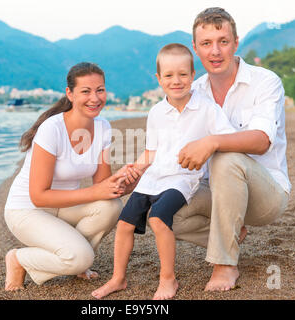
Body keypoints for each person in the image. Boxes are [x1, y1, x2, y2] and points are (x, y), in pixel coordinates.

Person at [92, 44, 237, 300]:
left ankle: (168, 279)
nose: (176, 81)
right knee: (124, 223)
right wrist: (133, 170)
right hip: (152, 178)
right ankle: (118, 278)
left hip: (183, 179)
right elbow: (151, 152)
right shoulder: (156, 111)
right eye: (168, 75)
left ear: (193, 75)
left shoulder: (207, 108)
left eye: (183, 74)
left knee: (158, 219)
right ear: (159, 79)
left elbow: (226, 139)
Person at [173, 7, 291, 292]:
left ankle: (225, 263)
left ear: (235, 43)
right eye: (206, 43)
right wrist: (141, 172)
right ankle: (230, 234)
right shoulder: (194, 91)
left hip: (265, 194)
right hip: (217, 194)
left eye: (222, 41)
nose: (215, 51)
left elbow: (262, 140)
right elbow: (179, 149)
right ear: (196, 48)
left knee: (226, 158)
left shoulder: (266, 81)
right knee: (165, 209)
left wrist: (212, 142)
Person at [3, 62, 132, 291]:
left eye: (100, 90)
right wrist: (95, 192)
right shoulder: (52, 129)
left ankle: (74, 259)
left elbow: (103, 187)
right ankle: (19, 259)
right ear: (70, 94)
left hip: (64, 206)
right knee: (80, 257)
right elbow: (38, 197)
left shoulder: (103, 126)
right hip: (27, 209)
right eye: (86, 91)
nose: (95, 98)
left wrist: (129, 180)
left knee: (111, 206)